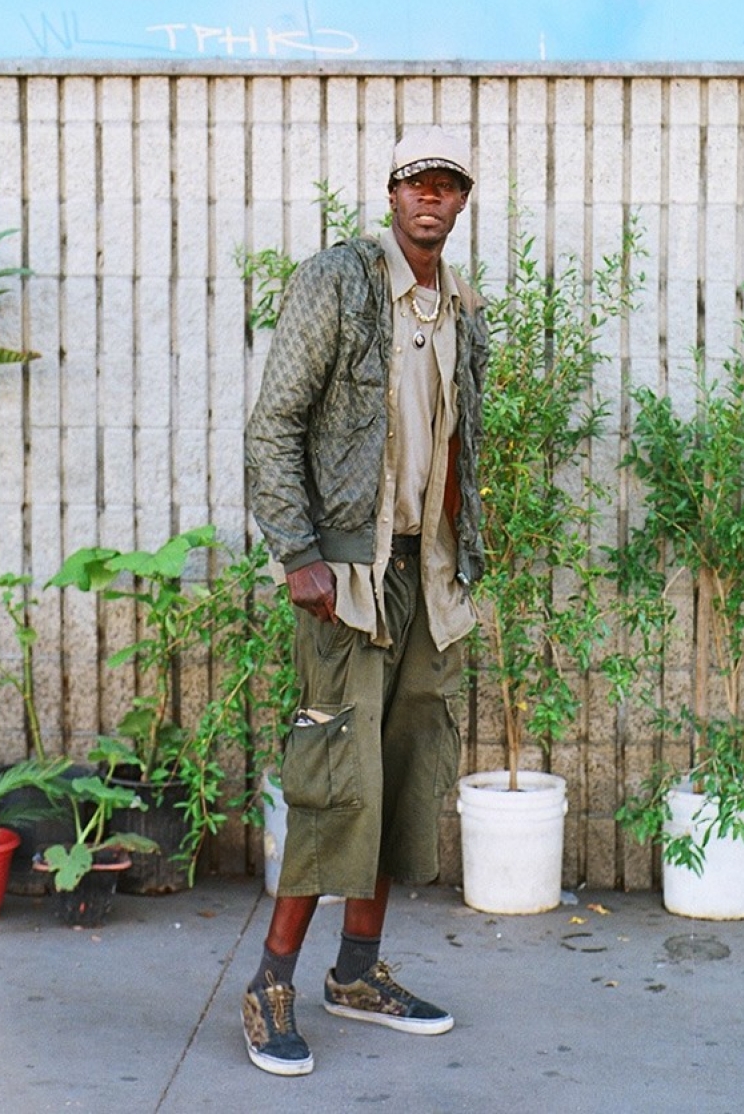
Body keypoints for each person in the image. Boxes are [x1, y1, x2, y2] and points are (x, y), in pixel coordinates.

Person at [243, 126, 488, 1076]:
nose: (431, 199)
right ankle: (268, 987)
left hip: (428, 572)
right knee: (334, 773)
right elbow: (275, 424)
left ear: (461, 203)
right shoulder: (336, 282)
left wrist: (467, 549)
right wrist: (297, 552)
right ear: (390, 194)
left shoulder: (458, 302)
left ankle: (356, 974)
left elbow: (458, 438)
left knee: (402, 766)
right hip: (347, 571)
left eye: (448, 186)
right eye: (416, 183)